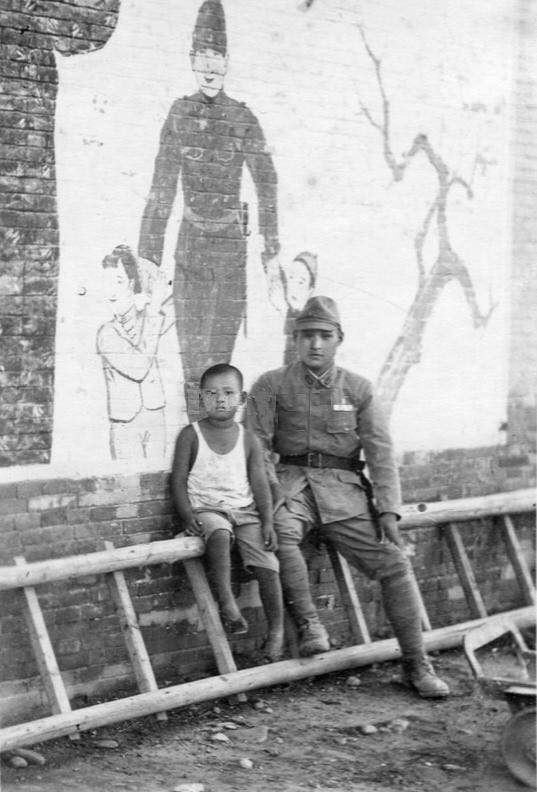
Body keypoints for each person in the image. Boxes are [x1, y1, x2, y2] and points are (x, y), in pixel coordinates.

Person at [247, 296, 450, 697]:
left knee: (393, 564)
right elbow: (254, 446)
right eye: (307, 336)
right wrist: (270, 499)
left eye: (325, 336)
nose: (315, 344)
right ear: (295, 339)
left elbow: (380, 451)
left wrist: (389, 510)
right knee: (281, 535)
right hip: (290, 486)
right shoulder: (271, 385)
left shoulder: (358, 389)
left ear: (339, 339)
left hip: (344, 494)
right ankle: (310, 623)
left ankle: (417, 663)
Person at [138, 0, 282, 397]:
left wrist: (271, 254)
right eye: (203, 57)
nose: (210, 67)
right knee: (192, 364)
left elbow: (267, 183)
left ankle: (218, 448)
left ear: (227, 61)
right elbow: (161, 185)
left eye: (217, 57)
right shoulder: (179, 114)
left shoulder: (242, 118)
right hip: (192, 249)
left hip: (230, 252)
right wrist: (148, 256)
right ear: (191, 60)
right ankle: (196, 445)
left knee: (220, 363)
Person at [171, 363, 285, 661]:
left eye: (227, 392)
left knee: (267, 562)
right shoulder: (190, 435)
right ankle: (227, 602)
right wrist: (186, 516)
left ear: (242, 398)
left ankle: (276, 631)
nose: (219, 399)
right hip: (206, 510)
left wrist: (268, 522)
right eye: (211, 393)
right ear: (200, 399)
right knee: (219, 533)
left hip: (244, 511)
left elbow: (259, 483)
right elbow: (179, 480)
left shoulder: (248, 438)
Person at [97, 244, 170, 461]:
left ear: (131, 284)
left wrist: (154, 294)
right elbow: (138, 368)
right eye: (107, 283)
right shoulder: (106, 334)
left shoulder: (147, 319)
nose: (111, 292)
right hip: (125, 422)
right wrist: (154, 308)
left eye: (118, 282)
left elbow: (169, 293)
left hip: (155, 413)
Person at [282, 251, 318, 365]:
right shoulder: (286, 315)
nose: (293, 287)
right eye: (291, 278)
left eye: (301, 282)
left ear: (310, 289)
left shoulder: (311, 323)